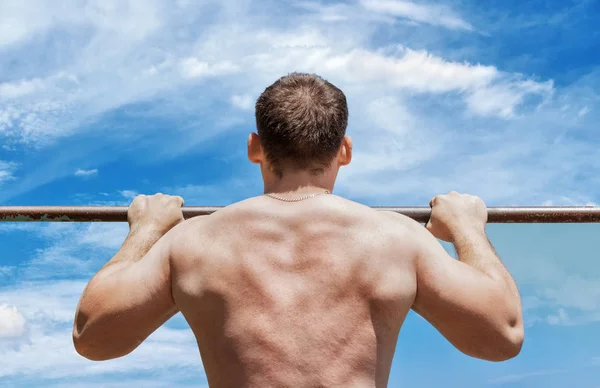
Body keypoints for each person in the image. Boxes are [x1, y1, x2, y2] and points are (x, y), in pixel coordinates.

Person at [73, 73, 524, 388]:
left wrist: (147, 230)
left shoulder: (194, 241)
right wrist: (468, 229)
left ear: (255, 147)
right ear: (344, 150)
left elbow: (92, 338)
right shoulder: (398, 238)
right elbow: (502, 336)